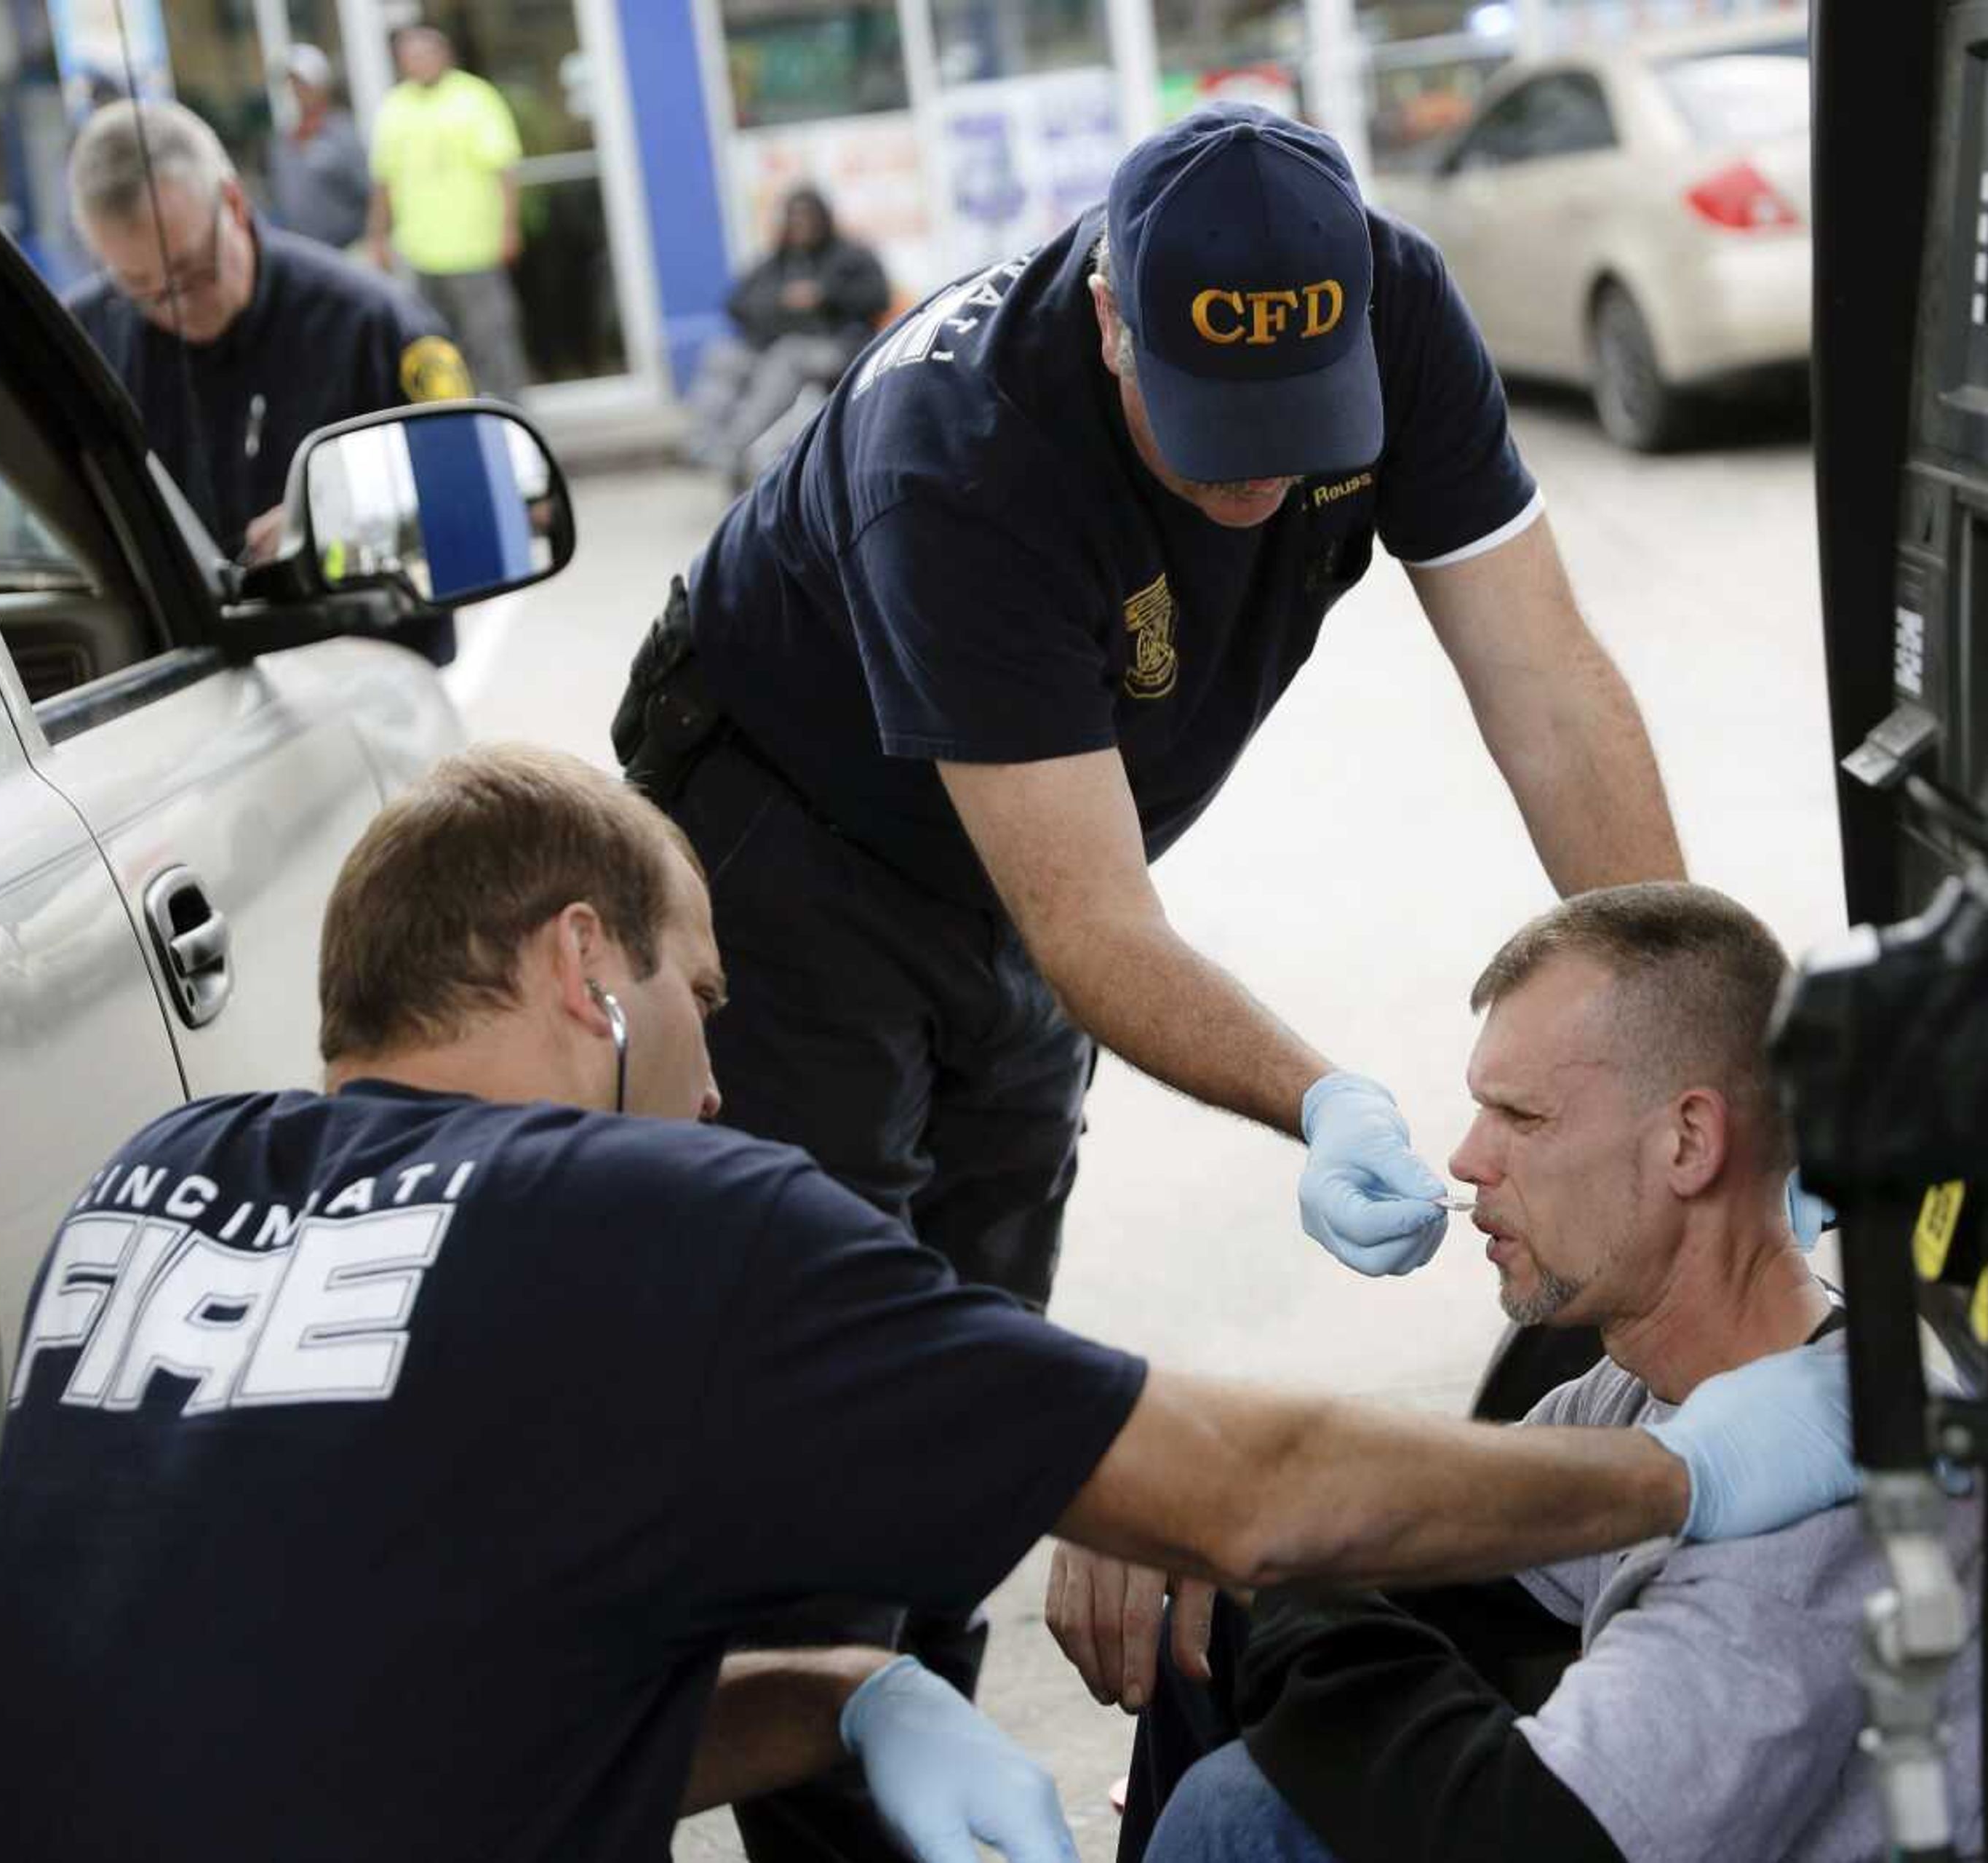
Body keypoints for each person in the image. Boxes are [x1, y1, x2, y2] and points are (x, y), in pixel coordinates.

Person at [0, 747, 1863, 1863]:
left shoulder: (146, 1198)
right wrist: (1678, 1492)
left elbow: (397, 1744)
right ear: (592, 965)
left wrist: (853, 1696)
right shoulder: (641, 1210)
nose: (727, 1082)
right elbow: (1241, 1497)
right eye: (707, 1002)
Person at [614, 100, 1685, 1860]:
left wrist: (1692, 1023)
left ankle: (914, 1717)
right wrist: (1318, 1091)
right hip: (792, 838)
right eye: (1213, 438)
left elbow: (1545, 675)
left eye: (1296, 436)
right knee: (825, 1370)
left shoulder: (1392, 306)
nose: (1257, 483)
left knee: (972, 1342)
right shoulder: (958, 451)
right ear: (1111, 313)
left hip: (1045, 841)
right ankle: (843, 1799)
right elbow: (1092, 928)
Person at [1106, 882, 1988, 1863]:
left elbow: (1524, 1836)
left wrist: (1269, 1557)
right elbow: (1420, 1528)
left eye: (1520, 1117)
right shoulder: (1647, 1388)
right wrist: (1213, 1500)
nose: (1466, 1155)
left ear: (1690, 1144)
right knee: (1218, 1612)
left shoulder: (1819, 1530)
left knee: (1243, 1816)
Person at [63, 99, 470, 562]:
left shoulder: (372, 322)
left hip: (365, 632)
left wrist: (346, 514)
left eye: (191, 273)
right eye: (138, 286)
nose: (174, 308)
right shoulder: (80, 346)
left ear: (234, 204)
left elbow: (474, 488)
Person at [684, 184, 892, 484]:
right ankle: (703, 441)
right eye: (793, 219)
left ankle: (737, 443)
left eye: (807, 217)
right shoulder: (777, 262)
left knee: (787, 356)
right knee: (724, 354)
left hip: (838, 348)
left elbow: (878, 297)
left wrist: (824, 295)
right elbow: (737, 304)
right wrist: (781, 302)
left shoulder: (850, 256)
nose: (800, 225)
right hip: (773, 346)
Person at [369, 26, 530, 399]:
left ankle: (508, 419)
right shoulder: (395, 106)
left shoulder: (475, 97)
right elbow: (383, 180)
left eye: (426, 53)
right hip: (420, 251)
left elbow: (505, 169)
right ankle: (456, 423)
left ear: (445, 55)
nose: (419, 62)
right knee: (433, 349)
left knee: (491, 341)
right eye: (410, 56)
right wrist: (378, 238)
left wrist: (509, 228)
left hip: (475, 247)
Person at [268, 44, 372, 250]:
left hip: (347, 252)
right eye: (291, 84)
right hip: (303, 253)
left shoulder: (343, 134)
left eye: (302, 83)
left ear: (322, 86)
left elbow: (369, 194)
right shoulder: (282, 142)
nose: (296, 91)